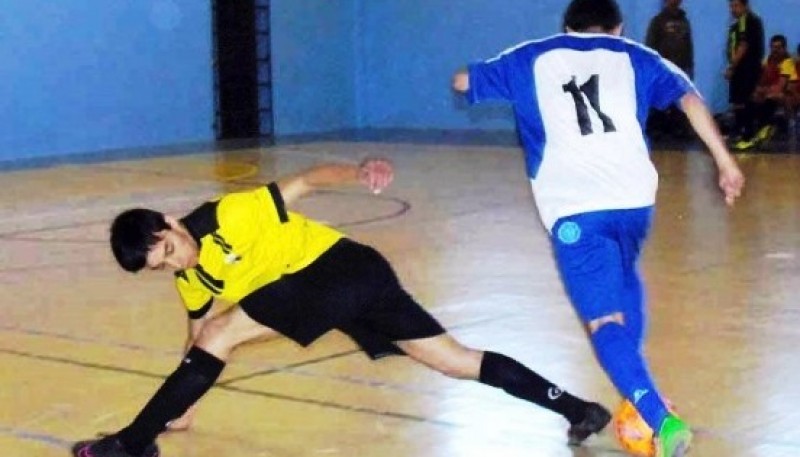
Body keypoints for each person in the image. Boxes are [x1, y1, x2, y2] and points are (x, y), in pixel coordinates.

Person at [71, 158, 611, 457]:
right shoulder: (192, 275)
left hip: (340, 269)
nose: (171, 263)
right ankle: (578, 410)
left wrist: (358, 171)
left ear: (169, 223)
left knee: (221, 330)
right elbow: (198, 341)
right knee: (455, 360)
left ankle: (129, 446)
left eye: (167, 250)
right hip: (346, 289)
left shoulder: (228, 215)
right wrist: (181, 410)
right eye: (159, 267)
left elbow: (303, 181)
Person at [451, 0, 745, 456]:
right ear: (619, 26)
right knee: (624, 283)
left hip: (575, 209)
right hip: (633, 202)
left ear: (567, 25)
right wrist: (725, 163)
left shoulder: (535, 54)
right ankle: (638, 391)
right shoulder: (637, 55)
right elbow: (690, 97)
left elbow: (463, 81)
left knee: (604, 319)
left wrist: (498, 82)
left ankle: (659, 420)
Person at [734, 34, 799, 150]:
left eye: (778, 47)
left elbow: (780, 87)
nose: (775, 50)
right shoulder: (768, 60)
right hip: (771, 93)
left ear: (784, 48)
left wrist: (764, 92)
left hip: (789, 97)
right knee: (752, 98)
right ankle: (750, 133)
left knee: (774, 97)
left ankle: (762, 128)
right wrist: (758, 91)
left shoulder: (787, 63)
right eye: (773, 47)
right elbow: (761, 82)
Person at [645, 0, 694, 139]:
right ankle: (659, 131)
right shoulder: (657, 21)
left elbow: (688, 47)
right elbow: (650, 47)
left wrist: (690, 69)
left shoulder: (685, 22)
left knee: (679, 103)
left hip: (681, 70)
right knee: (662, 102)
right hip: (663, 70)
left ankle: (678, 131)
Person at [725, 0, 765, 142]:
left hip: (747, 69)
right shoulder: (736, 25)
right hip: (740, 69)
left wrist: (732, 67)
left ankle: (747, 134)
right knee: (737, 101)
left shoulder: (747, 20)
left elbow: (743, 45)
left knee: (745, 100)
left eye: (736, 6)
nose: (732, 9)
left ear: (745, 6)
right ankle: (739, 131)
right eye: (731, 6)